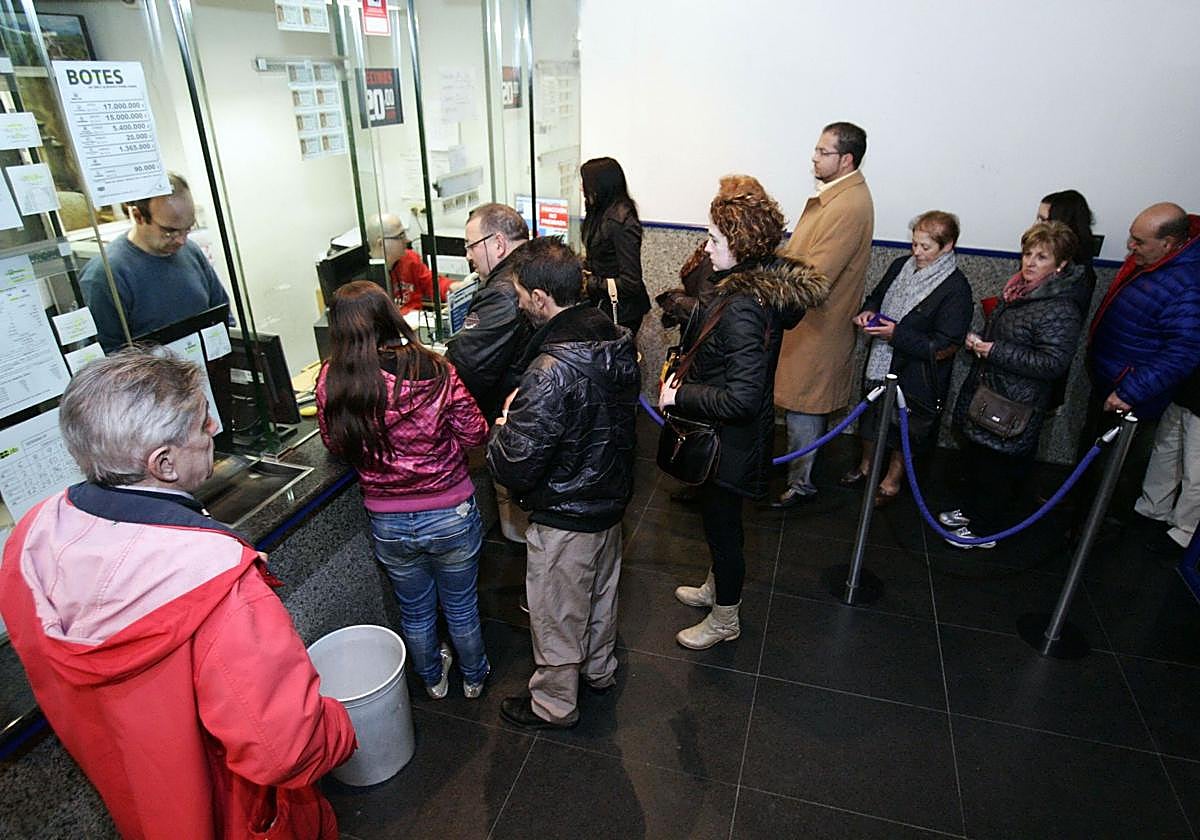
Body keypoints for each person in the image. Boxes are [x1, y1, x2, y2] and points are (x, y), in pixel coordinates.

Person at [0, 349, 356, 838]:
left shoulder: (30, 539)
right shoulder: (218, 586)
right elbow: (290, 748)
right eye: (201, 422)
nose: (214, 428)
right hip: (239, 815)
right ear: (163, 463)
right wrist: (339, 724)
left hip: (143, 804)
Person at [661, 183, 826, 648]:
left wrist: (681, 395)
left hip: (729, 442)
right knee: (721, 525)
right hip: (733, 438)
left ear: (741, 243)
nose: (707, 246)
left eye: (715, 238)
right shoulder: (752, 289)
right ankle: (716, 588)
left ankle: (725, 619)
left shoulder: (743, 307)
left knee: (724, 530)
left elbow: (743, 398)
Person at [487, 236, 638, 729]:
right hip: (609, 501)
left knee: (556, 612)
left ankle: (554, 704)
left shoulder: (550, 369)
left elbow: (514, 465)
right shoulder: (615, 339)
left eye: (519, 295)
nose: (517, 304)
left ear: (539, 298)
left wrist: (503, 425)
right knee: (600, 596)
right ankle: (599, 670)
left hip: (566, 513)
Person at [317, 280, 490, 699]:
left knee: (415, 611)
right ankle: (474, 678)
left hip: (388, 519)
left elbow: (334, 443)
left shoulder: (333, 379)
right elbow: (476, 433)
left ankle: (432, 679)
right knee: (461, 605)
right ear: (388, 316)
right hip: (450, 511)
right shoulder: (433, 368)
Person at [940, 222, 1085, 548]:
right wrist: (981, 343)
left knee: (997, 471)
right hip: (992, 390)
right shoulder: (1020, 290)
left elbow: (1053, 363)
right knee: (979, 463)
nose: (1030, 262)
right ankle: (971, 512)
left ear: (1060, 264)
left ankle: (984, 531)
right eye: (1027, 253)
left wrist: (994, 350)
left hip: (1016, 402)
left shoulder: (1060, 307)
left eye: (1041, 257)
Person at [772, 122, 875, 508]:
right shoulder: (839, 196)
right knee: (802, 404)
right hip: (808, 323)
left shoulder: (848, 205)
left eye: (823, 152)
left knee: (805, 407)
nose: (814, 158)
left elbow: (815, 275)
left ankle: (801, 484)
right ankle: (795, 475)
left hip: (818, 324)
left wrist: (768, 280)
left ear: (846, 159)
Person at [845, 211, 972, 507]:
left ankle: (892, 480)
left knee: (905, 430)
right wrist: (868, 311)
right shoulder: (900, 265)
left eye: (925, 247)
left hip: (918, 375)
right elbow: (877, 295)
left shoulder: (955, 288)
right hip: (881, 361)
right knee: (870, 418)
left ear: (948, 246)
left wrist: (896, 334)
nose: (916, 252)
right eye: (914, 244)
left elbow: (946, 343)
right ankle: (866, 466)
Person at [1083, 203, 1200, 513]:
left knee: (1113, 474)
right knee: (1093, 466)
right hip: (1113, 383)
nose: (1130, 246)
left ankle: (1101, 526)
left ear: (1168, 243)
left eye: (1139, 241)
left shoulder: (1187, 285)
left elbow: (1183, 352)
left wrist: (1129, 391)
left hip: (1131, 399)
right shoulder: (1155, 263)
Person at [445, 202, 533, 544]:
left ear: (497, 243)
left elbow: (469, 362)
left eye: (471, 246)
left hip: (512, 411)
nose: (468, 256)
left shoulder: (502, 292)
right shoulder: (529, 268)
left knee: (521, 534)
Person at [81, 172, 230, 352]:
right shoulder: (106, 274)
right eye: (170, 232)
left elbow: (221, 314)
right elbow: (106, 354)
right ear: (138, 216)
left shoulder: (191, 251)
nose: (181, 240)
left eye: (188, 228)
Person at [580, 156, 651, 336]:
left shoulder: (621, 221)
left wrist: (591, 283)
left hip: (622, 310)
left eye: (585, 183)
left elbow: (631, 282)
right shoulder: (599, 211)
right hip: (604, 304)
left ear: (600, 186)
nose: (582, 188)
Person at [1135, 365, 1200, 555]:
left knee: (1195, 470)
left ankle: (1184, 531)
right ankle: (1152, 509)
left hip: (1187, 387)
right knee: (1165, 454)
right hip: (1184, 388)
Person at [365, 212, 454, 314]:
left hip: (416, 320)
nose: (407, 240)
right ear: (381, 243)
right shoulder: (365, 279)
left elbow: (431, 283)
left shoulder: (410, 258)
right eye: (400, 236)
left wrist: (455, 286)